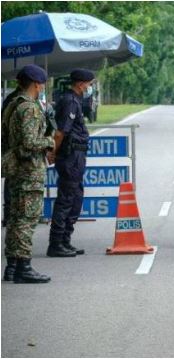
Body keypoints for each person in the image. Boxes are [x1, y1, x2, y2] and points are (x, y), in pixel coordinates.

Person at [2, 64, 55, 283]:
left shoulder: (13, 104)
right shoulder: (30, 108)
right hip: (29, 170)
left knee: (15, 219)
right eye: (42, 84)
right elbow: (30, 141)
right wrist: (49, 141)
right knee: (26, 219)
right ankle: (23, 267)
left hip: (16, 169)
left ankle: (12, 266)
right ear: (37, 84)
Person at [47, 69, 94, 257]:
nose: (89, 88)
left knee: (75, 197)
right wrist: (53, 152)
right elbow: (60, 133)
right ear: (81, 84)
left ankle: (65, 241)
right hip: (70, 156)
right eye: (89, 84)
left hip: (76, 155)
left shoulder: (75, 100)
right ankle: (56, 243)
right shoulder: (70, 101)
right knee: (66, 199)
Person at [1, 80, 22, 228]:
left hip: (10, 148)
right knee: (13, 182)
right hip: (16, 149)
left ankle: (9, 214)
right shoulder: (18, 101)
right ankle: (10, 214)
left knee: (11, 181)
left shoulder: (12, 99)